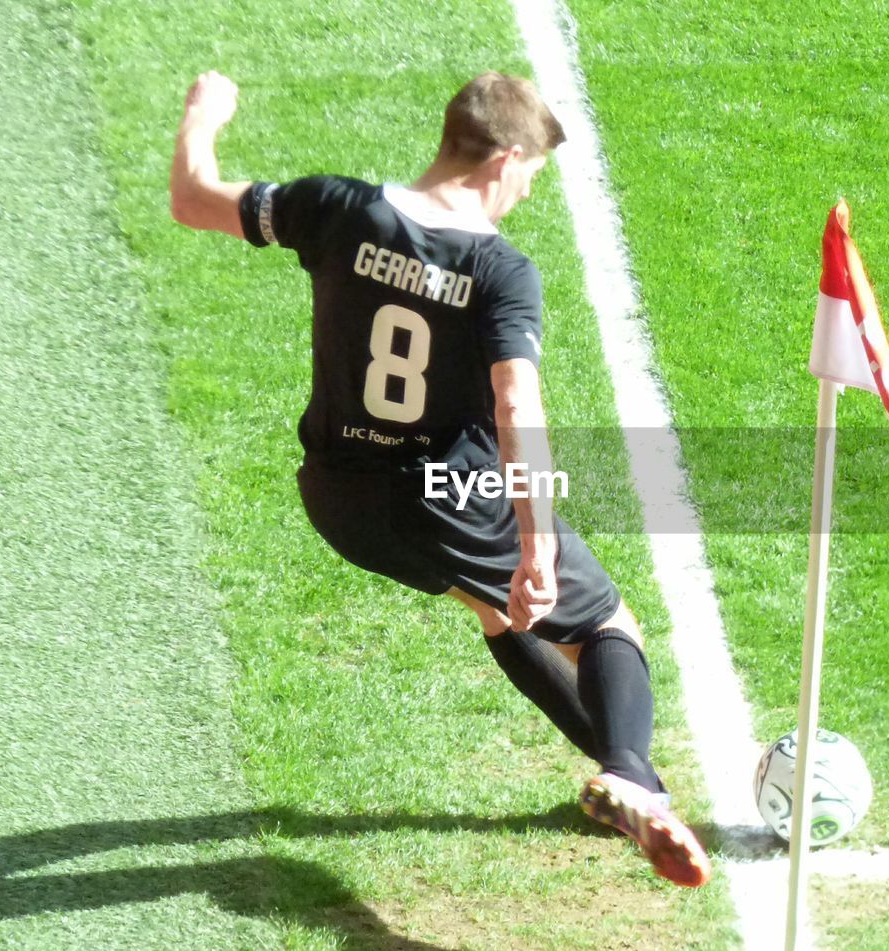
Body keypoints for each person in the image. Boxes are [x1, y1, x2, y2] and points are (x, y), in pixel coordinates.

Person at [169, 69, 710, 888]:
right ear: (504, 160)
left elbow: (192, 198)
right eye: (530, 175)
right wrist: (536, 544)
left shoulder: (336, 207)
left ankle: (639, 792)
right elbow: (515, 404)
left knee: (499, 612)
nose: (525, 194)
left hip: (338, 497)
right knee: (604, 625)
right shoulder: (499, 272)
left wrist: (203, 117)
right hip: (442, 497)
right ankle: (631, 775)